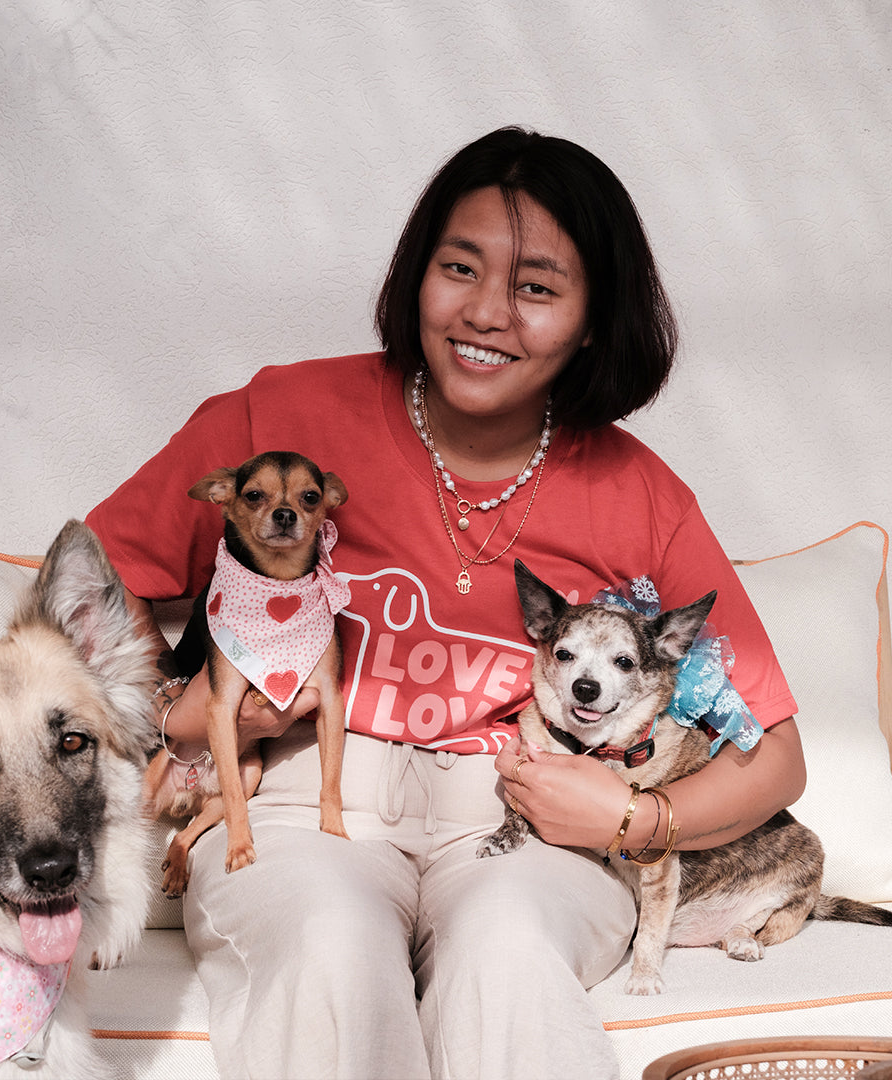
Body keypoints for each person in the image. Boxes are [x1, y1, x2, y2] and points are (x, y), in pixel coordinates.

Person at [86, 127, 804, 1080]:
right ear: (415, 274)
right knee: (331, 954)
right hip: (305, 799)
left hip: (526, 816)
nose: (486, 313)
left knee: (509, 959)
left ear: (595, 319)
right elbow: (95, 571)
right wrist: (172, 714)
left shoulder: (643, 495)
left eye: (537, 288)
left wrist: (638, 821)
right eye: (458, 267)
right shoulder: (281, 417)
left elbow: (777, 760)